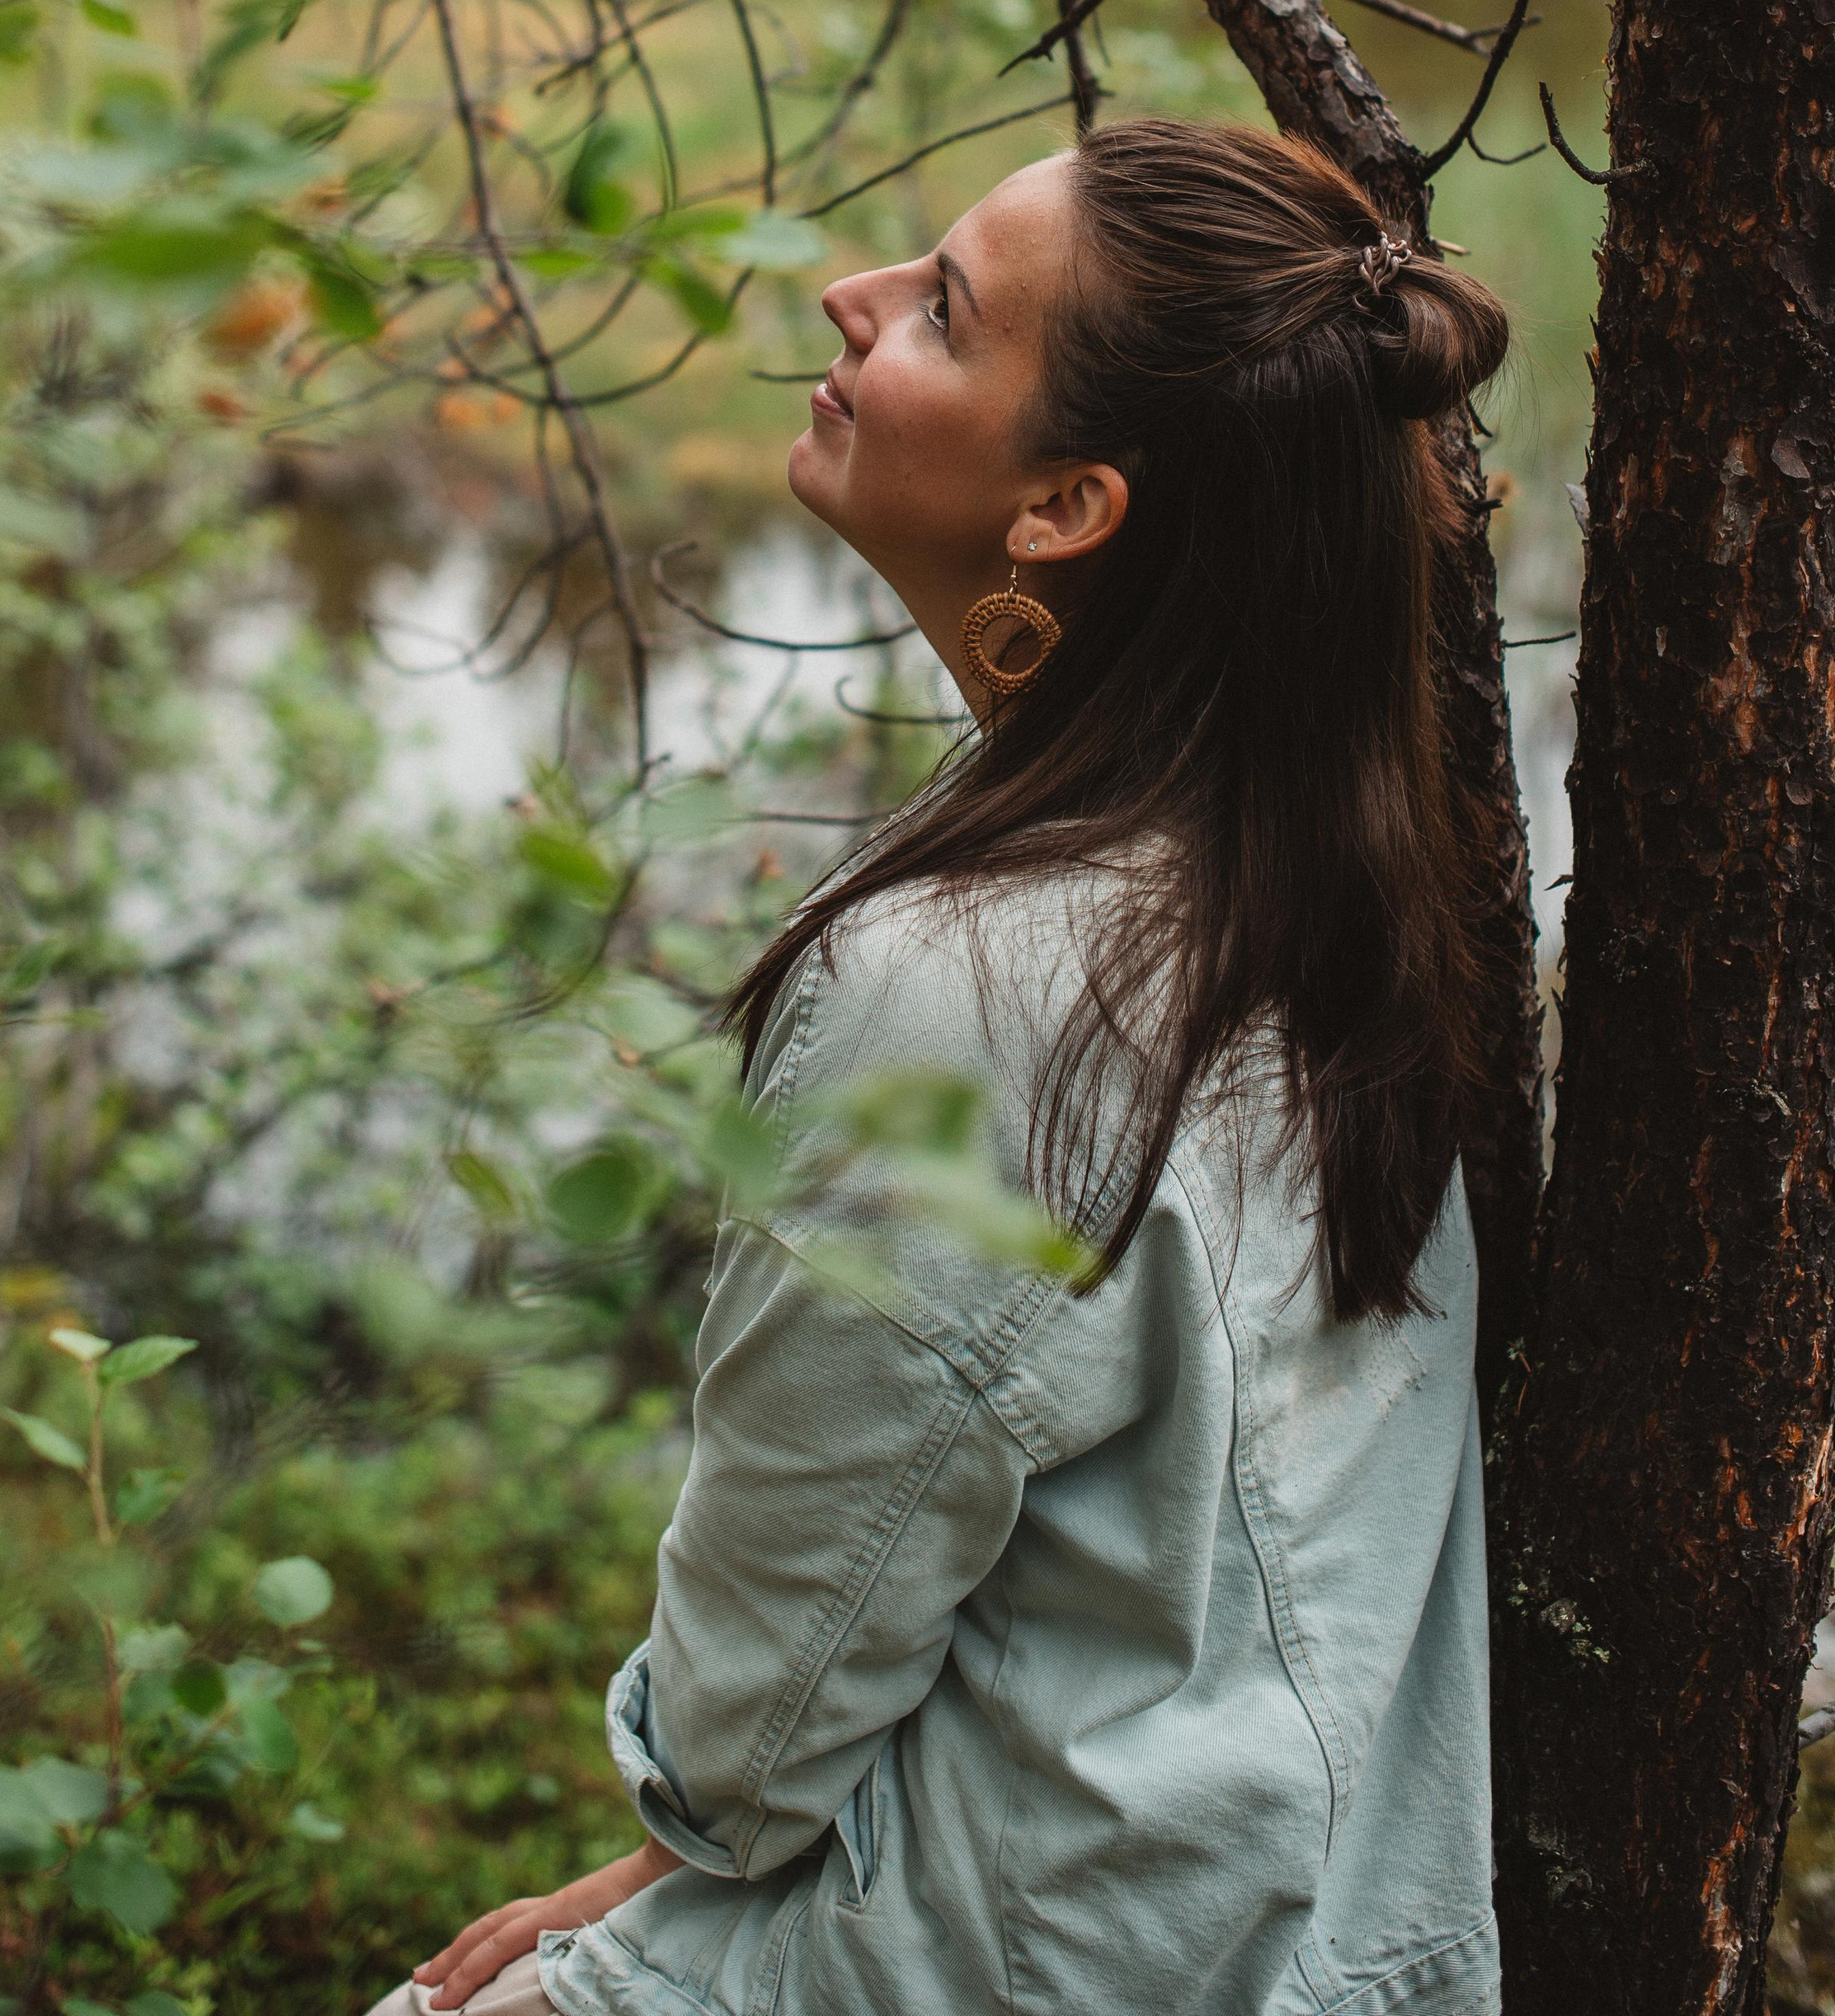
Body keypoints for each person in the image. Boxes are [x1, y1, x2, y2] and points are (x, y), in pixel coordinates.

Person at [385, 116, 1511, 2016]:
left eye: (940, 310)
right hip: (1300, 1942)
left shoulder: (966, 987)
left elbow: (768, 1698)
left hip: (1006, 1956)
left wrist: (670, 1842)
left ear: (1063, 506)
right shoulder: (1331, 886)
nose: (849, 293)